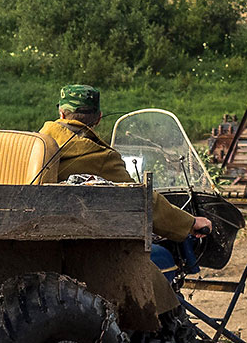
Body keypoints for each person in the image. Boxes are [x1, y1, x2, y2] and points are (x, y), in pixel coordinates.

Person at [40, 84, 211, 245]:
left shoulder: (35, 144)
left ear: (61, 114)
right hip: (74, 240)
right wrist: (190, 222)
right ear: (98, 118)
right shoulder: (100, 157)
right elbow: (139, 198)